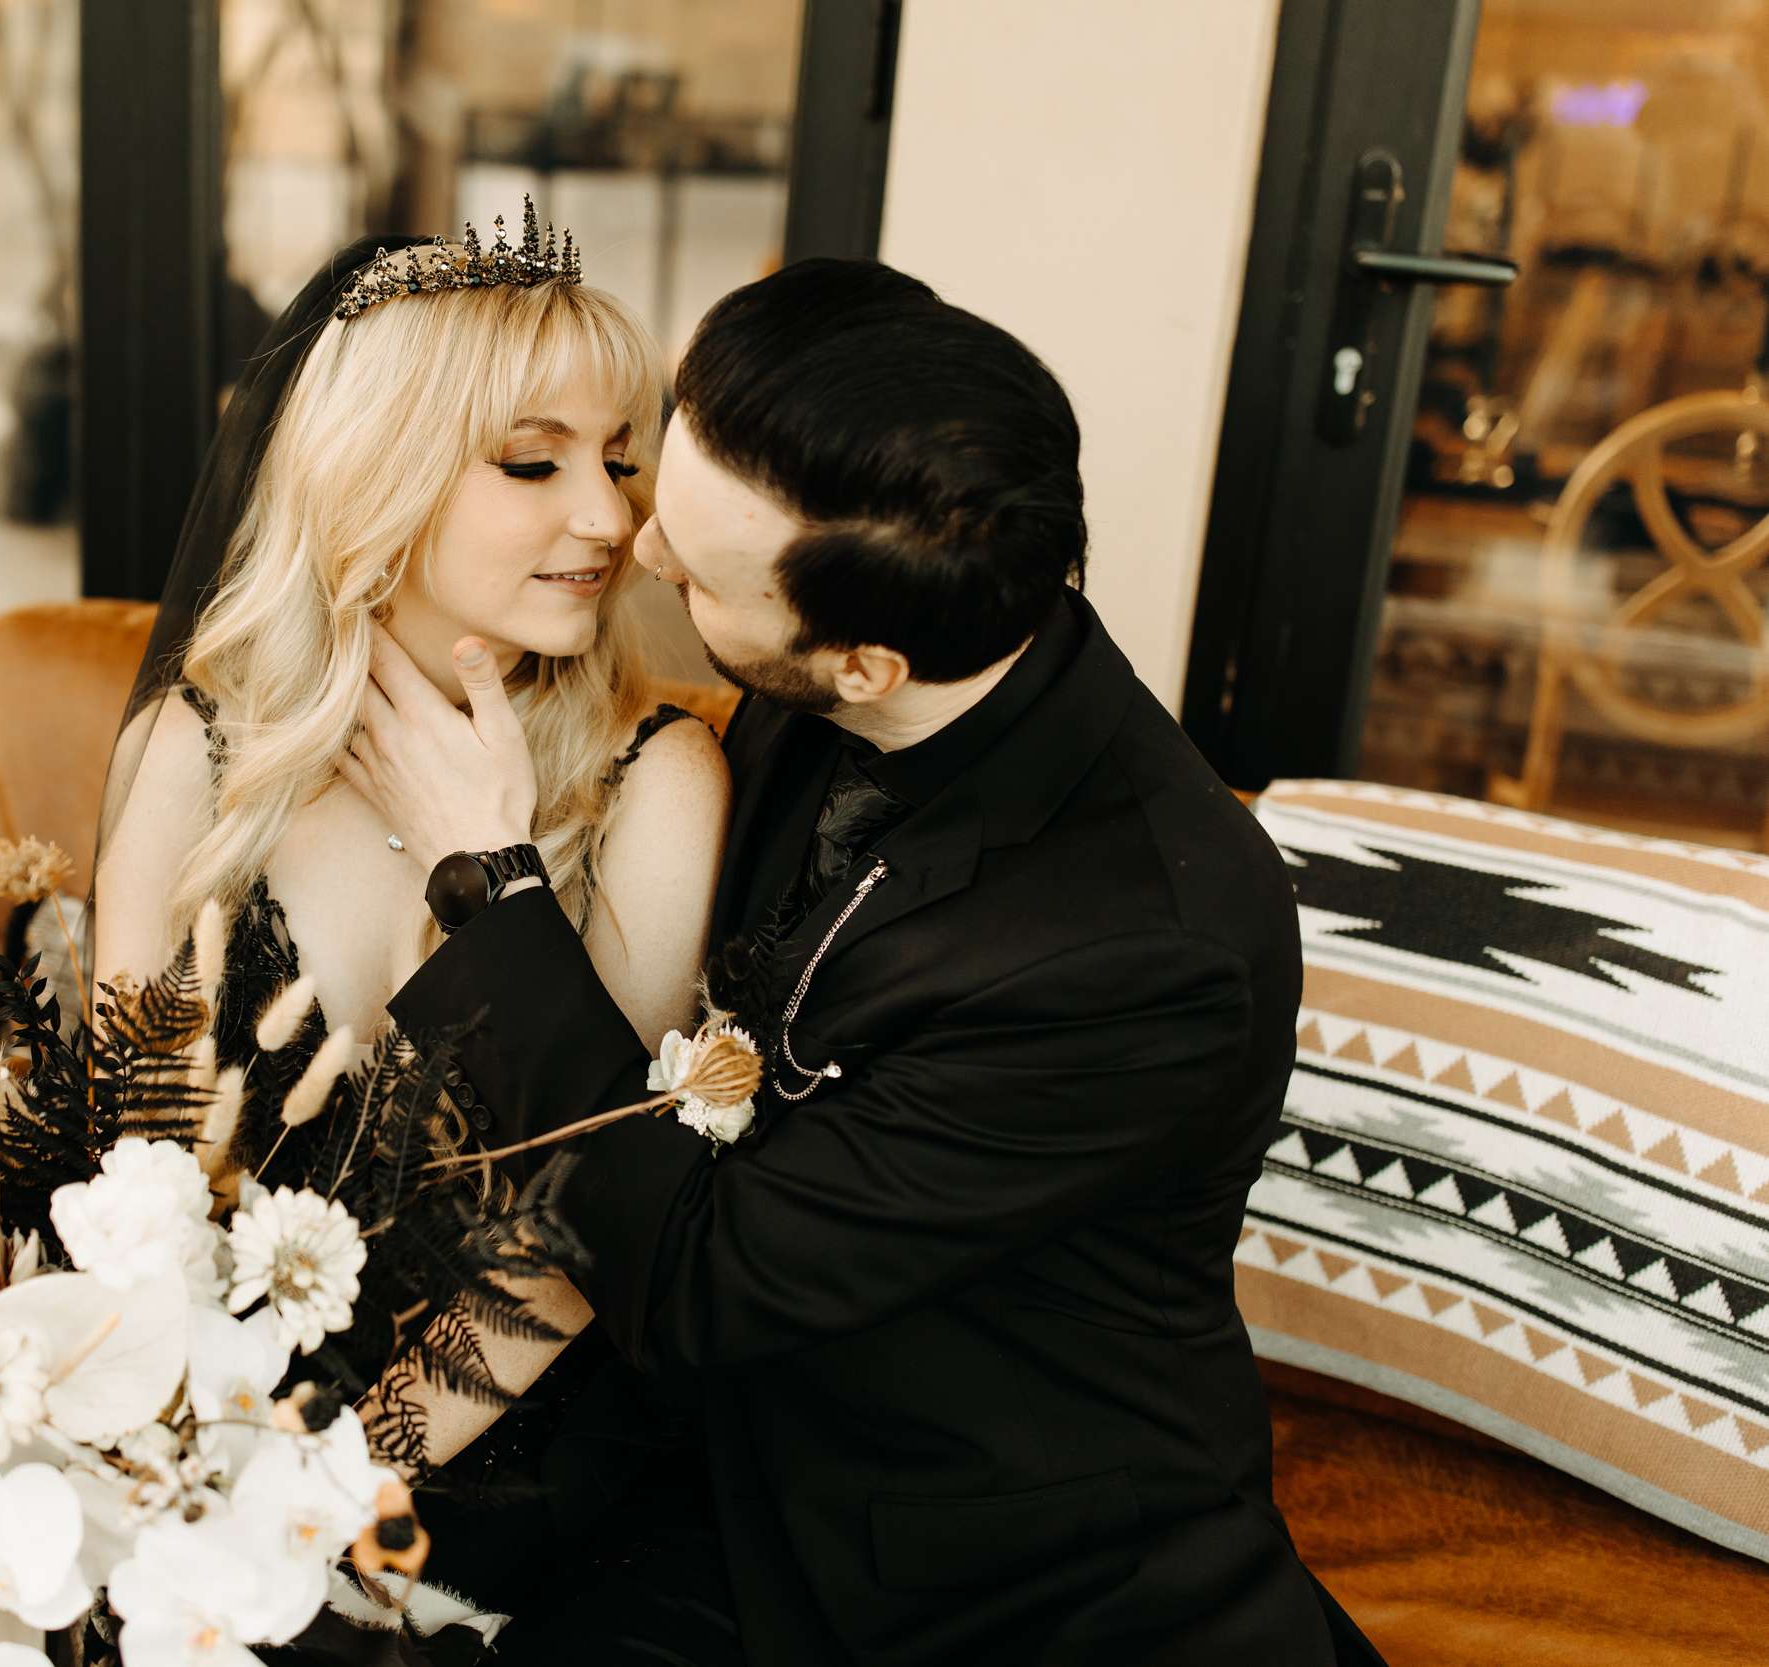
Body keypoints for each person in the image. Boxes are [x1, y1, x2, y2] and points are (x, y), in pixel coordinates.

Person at [345, 259, 1388, 1665]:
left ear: (864, 668)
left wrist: (492, 884)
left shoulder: (1145, 950)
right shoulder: (853, 663)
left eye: (696, 569)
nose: (639, 549)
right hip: (708, 1486)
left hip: (999, 1590)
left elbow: (699, 1280)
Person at [85, 212, 732, 1629]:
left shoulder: (655, 781)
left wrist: (320, 1493)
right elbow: (129, 1164)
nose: (612, 519)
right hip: (200, 1444)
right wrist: (175, 1478)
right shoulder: (199, 754)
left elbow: (584, 1236)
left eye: (620, 458)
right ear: (374, 471)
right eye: (534, 461)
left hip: (508, 1485)